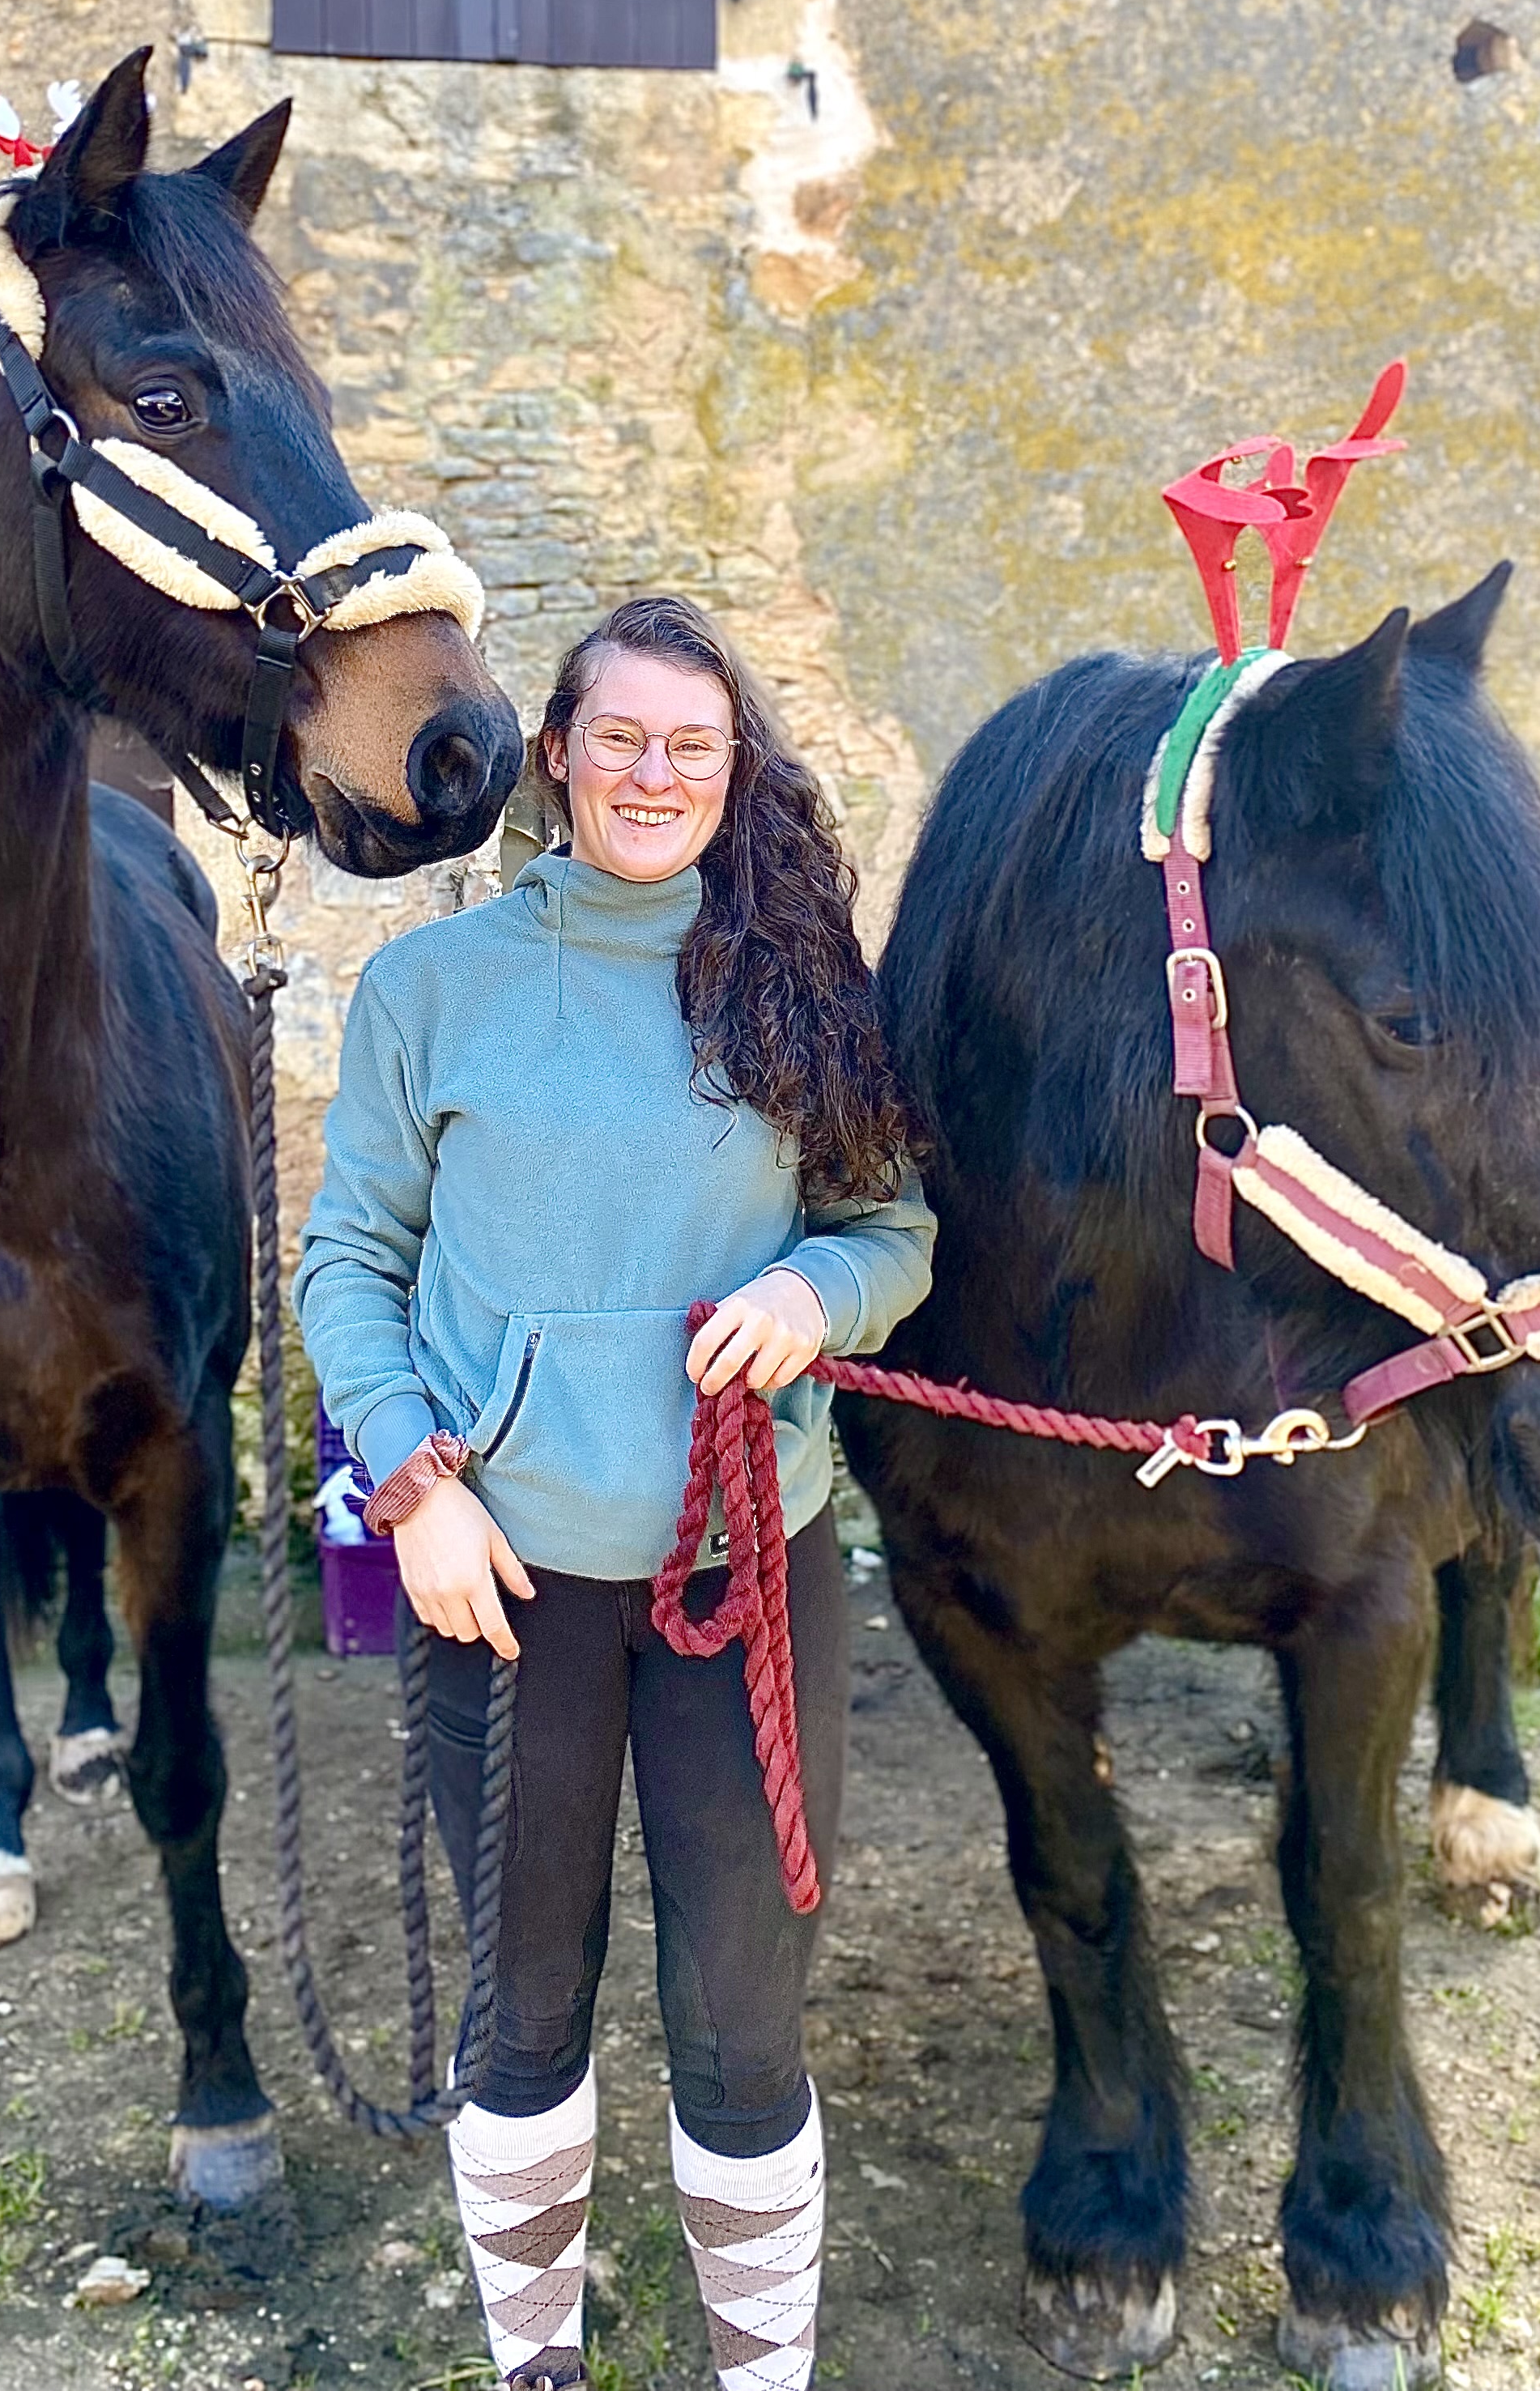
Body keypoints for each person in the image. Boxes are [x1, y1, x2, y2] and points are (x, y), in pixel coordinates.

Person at [300, 592, 933, 2391]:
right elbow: (350, 1259)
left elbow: (891, 1231)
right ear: (557, 754)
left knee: (743, 2027)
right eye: (623, 738)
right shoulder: (434, 993)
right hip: (501, 1578)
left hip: (744, 1573)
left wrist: (815, 1293)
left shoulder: (800, 990)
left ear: (734, 773)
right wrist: (412, 1480)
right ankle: (538, 2366)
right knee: (523, 2014)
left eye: (694, 746)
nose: (656, 774)